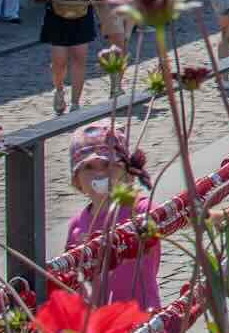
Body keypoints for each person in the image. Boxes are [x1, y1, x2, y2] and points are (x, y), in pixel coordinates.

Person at [65, 123, 160, 308]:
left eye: (108, 164)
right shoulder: (77, 225)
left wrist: (205, 216)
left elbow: (174, 216)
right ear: (77, 182)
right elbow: (71, 276)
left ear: (128, 174)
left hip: (142, 315)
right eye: (88, 167)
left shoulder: (140, 210)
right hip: (101, 321)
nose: (100, 172)